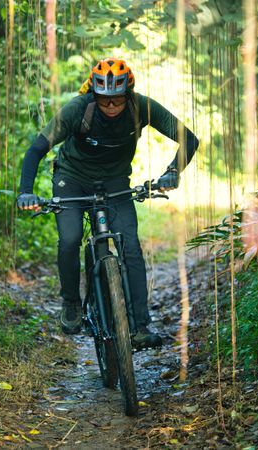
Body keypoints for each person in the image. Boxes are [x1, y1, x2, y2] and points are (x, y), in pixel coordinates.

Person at [17, 58, 199, 348]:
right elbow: (36, 149)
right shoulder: (78, 109)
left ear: (128, 94)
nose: (111, 108)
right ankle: (72, 305)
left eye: (117, 101)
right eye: (104, 102)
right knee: (70, 238)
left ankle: (139, 326)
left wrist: (171, 172)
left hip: (115, 183)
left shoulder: (142, 107)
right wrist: (25, 191)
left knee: (131, 248)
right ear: (94, 95)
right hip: (71, 179)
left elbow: (188, 139)